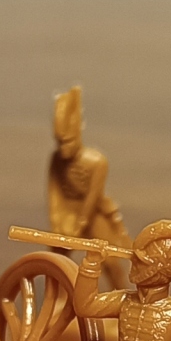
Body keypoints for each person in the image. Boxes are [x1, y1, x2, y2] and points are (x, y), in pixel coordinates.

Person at [45, 86, 126, 290]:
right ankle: (54, 297)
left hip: (93, 214)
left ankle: (122, 297)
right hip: (68, 212)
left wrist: (80, 224)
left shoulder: (97, 162)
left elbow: (93, 197)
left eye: (68, 142)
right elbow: (54, 193)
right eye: (59, 143)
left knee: (110, 261)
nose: (63, 148)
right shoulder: (55, 159)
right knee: (56, 260)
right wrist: (58, 222)